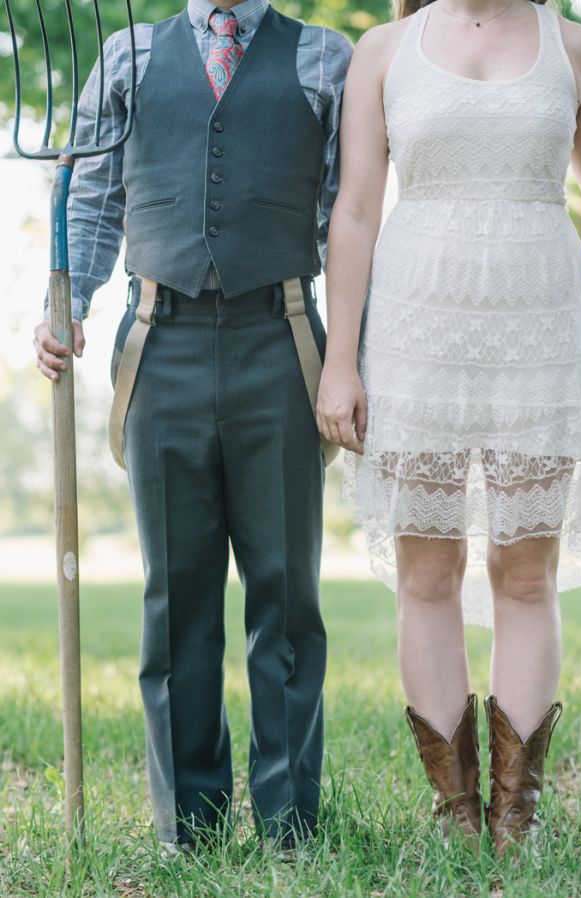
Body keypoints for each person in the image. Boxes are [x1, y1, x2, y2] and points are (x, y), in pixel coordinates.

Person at [33, 0, 352, 853]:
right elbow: (91, 199)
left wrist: (357, 354)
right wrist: (66, 305)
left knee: (286, 596)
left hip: (281, 340)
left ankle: (289, 827)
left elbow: (348, 217)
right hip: (159, 341)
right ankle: (191, 830)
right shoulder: (128, 58)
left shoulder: (327, 60)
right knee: (176, 598)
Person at [318, 0, 581, 855]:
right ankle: (456, 814)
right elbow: (355, 210)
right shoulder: (384, 51)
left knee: (526, 571)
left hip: (540, 327)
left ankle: (516, 817)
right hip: (417, 330)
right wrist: (340, 360)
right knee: (429, 572)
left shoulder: (577, 44)